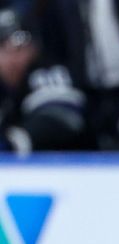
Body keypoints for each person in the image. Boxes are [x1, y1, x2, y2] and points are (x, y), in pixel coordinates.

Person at [0, 7, 91, 153]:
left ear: (35, 48)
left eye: (19, 48)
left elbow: (61, 118)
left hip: (70, 168)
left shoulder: (45, 71)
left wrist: (13, 142)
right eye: (4, 50)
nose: (12, 59)